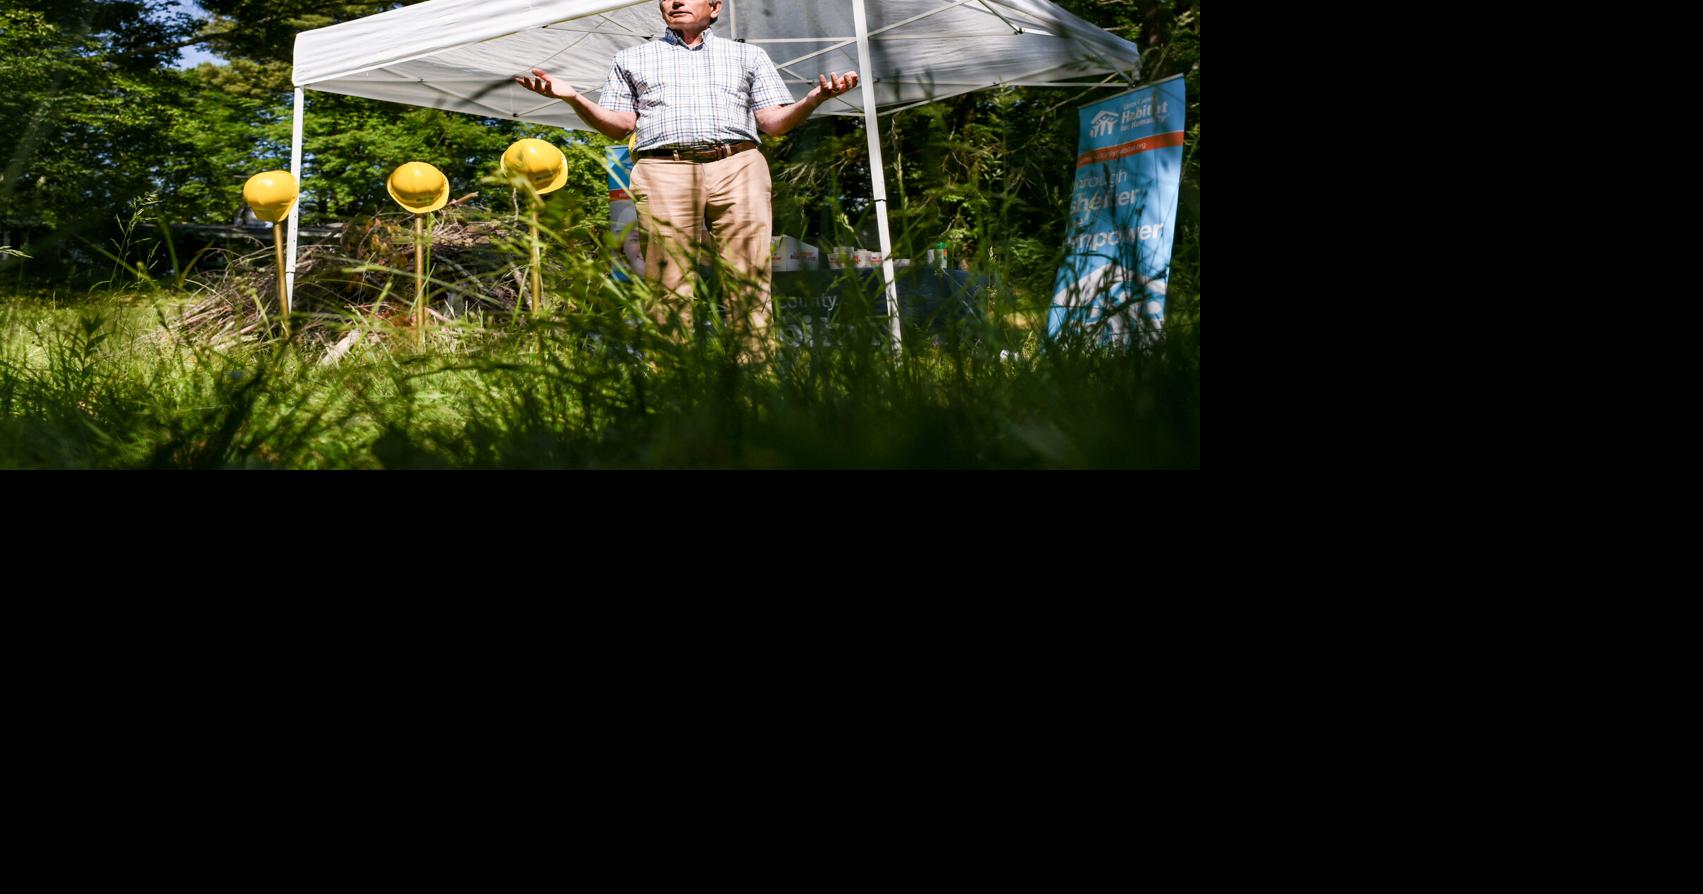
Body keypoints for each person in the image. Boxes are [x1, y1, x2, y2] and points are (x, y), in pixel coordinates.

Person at [515, 0, 858, 360]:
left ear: (715, 7)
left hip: (738, 164)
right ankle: (672, 379)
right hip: (664, 169)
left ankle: (757, 376)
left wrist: (813, 100)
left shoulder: (748, 56)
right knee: (668, 281)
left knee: (750, 279)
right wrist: (574, 98)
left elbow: (774, 123)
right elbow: (619, 127)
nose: (674, 1)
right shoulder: (631, 58)